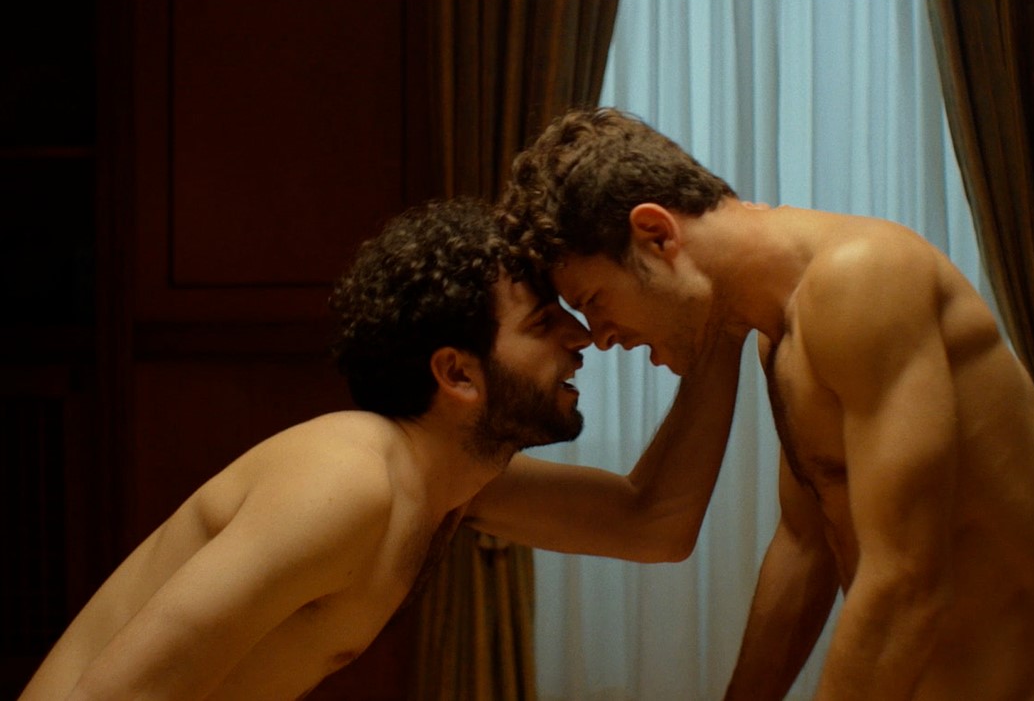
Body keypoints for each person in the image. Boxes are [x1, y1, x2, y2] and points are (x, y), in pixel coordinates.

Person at [20, 197, 745, 700]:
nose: (581, 337)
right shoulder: (346, 484)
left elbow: (653, 523)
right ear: (457, 373)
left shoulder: (451, 478)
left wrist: (722, 316)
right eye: (540, 324)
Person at [502, 107, 1034, 700]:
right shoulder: (780, 335)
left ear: (656, 235)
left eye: (593, 300)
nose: (599, 337)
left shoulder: (863, 280)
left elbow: (906, 583)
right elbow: (806, 548)